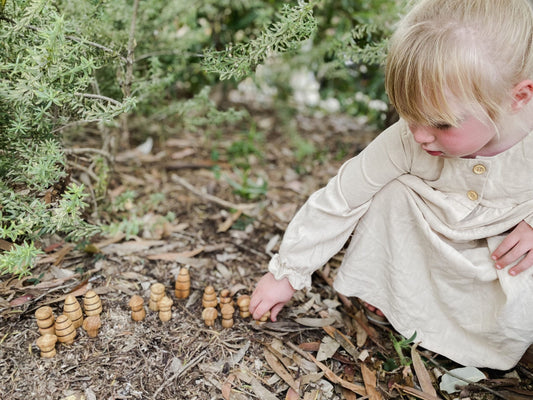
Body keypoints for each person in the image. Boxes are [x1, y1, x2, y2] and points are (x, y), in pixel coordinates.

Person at [249, 0, 533, 370]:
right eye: (407, 114)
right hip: (435, 236)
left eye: (440, 124)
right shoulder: (407, 139)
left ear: (518, 98)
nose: (418, 135)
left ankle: (487, 342)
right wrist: (286, 272)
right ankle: (397, 298)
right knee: (391, 192)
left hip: (504, 248)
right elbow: (342, 196)